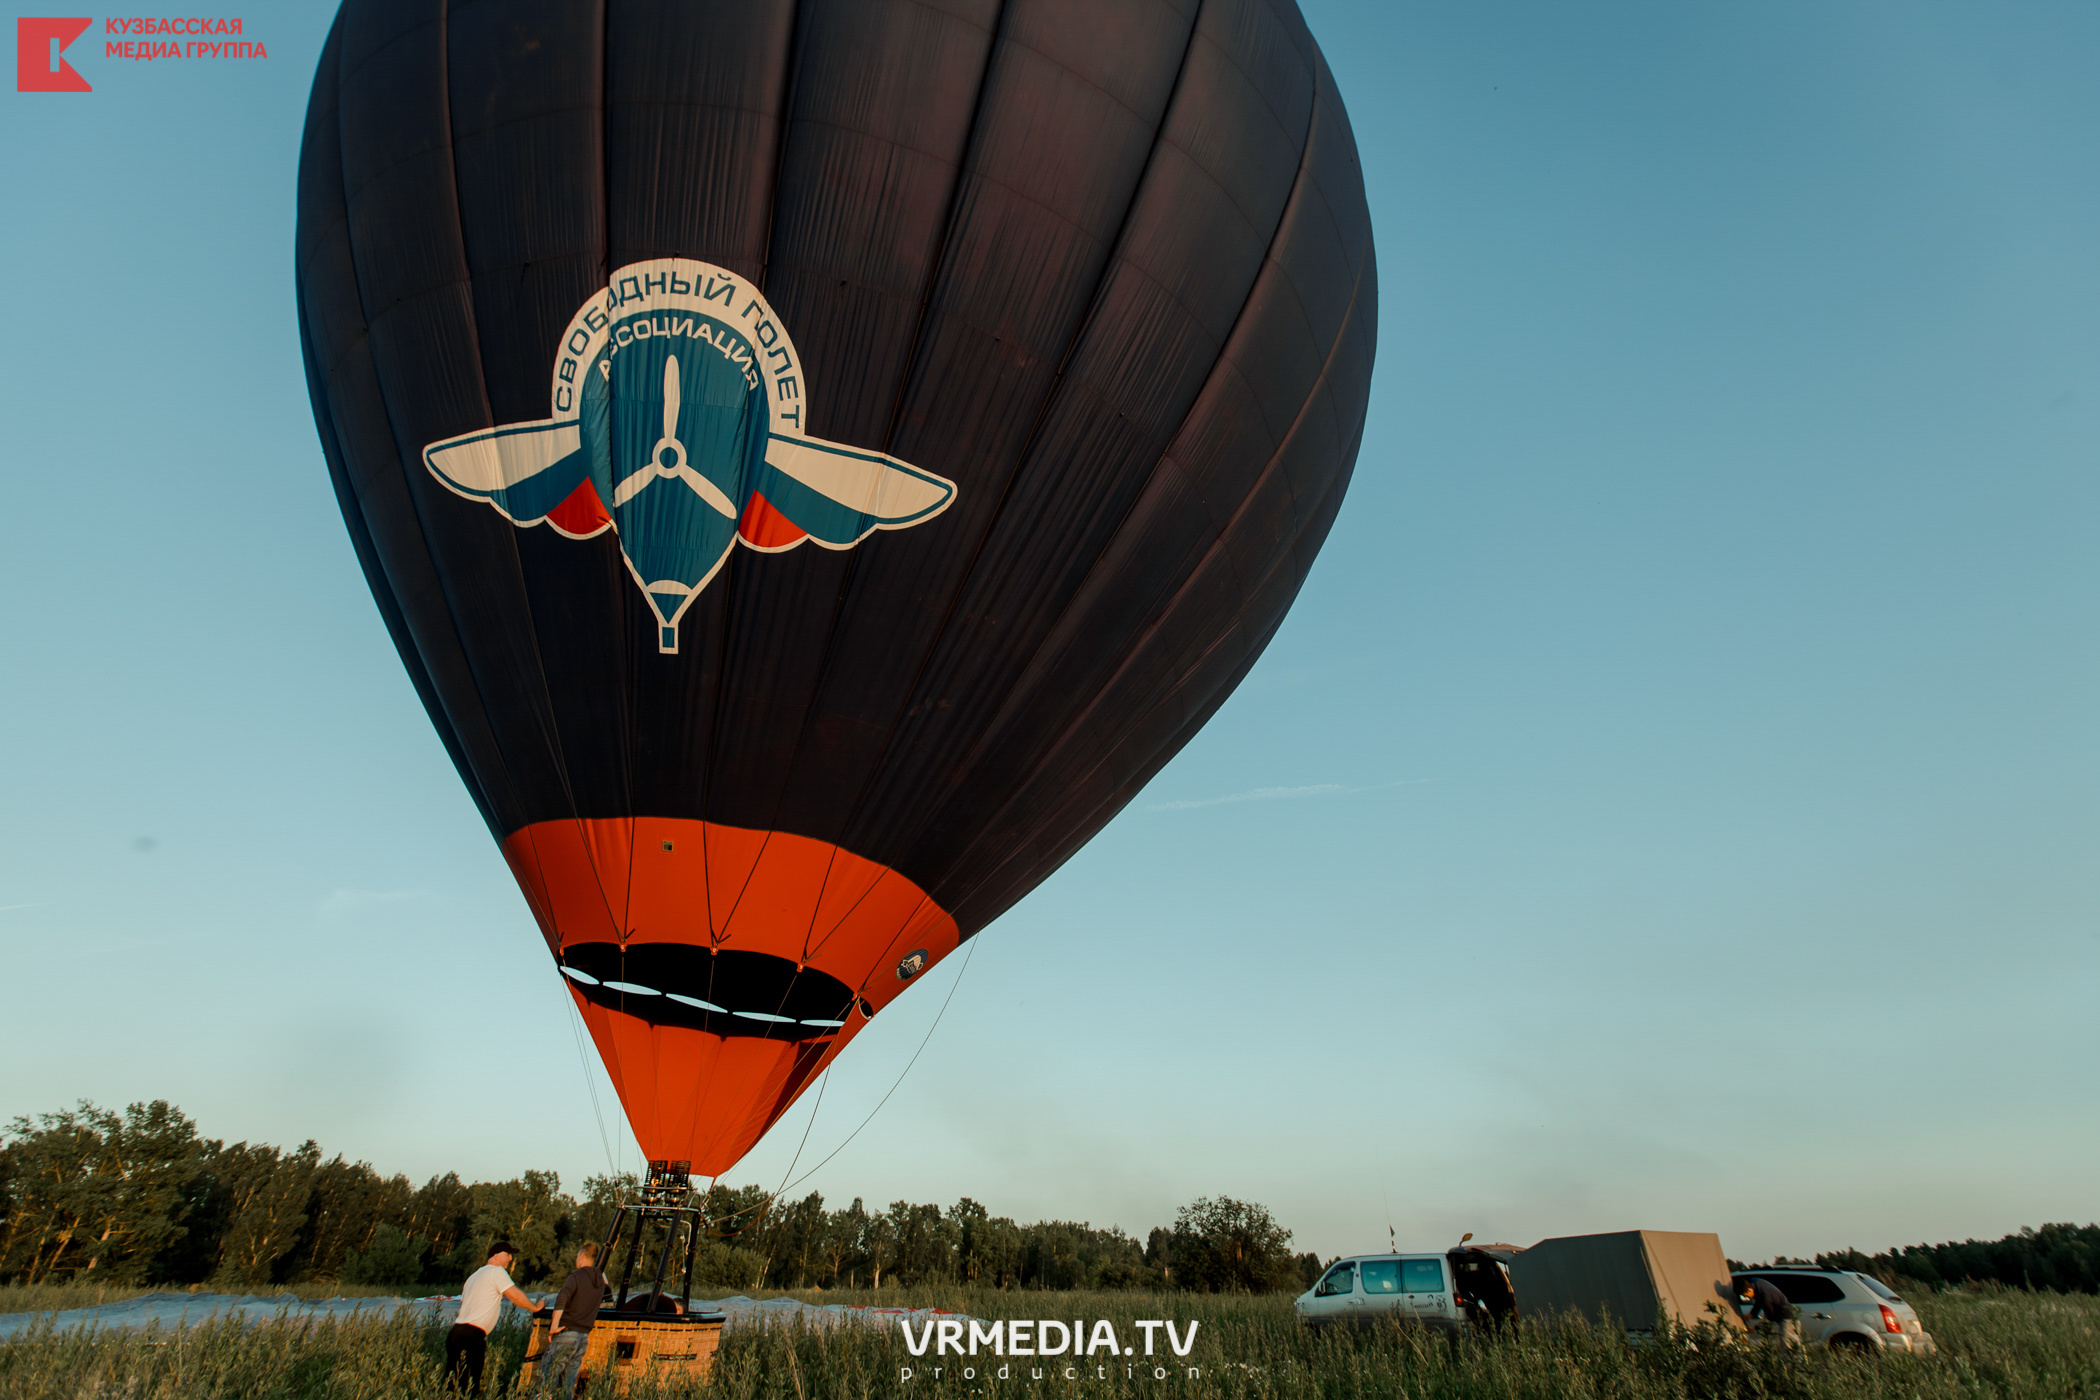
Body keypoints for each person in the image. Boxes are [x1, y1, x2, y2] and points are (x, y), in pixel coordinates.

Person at [448, 1241, 539, 1395]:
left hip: (456, 1333)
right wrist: (535, 1307)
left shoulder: (474, 1276)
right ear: (496, 1256)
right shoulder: (496, 1272)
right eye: (507, 1254)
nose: (510, 1259)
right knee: (469, 1387)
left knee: (453, 1385)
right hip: (471, 1336)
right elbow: (515, 1296)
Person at [534, 1243, 607, 1398]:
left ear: (581, 1256)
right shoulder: (600, 1282)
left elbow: (563, 1296)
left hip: (567, 1333)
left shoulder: (576, 1276)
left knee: (548, 1380)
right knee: (568, 1385)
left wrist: (554, 1326)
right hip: (583, 1338)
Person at [1737, 1275, 1798, 1347]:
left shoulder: (1766, 1298)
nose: (1746, 1297)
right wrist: (1752, 1314)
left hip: (1786, 1316)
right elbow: (1759, 1299)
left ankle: (1792, 1358)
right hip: (1784, 1312)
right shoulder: (1755, 1281)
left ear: (1749, 1290)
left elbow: (1770, 1319)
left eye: (1746, 1295)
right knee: (1794, 1342)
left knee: (1788, 1344)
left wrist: (1755, 1328)